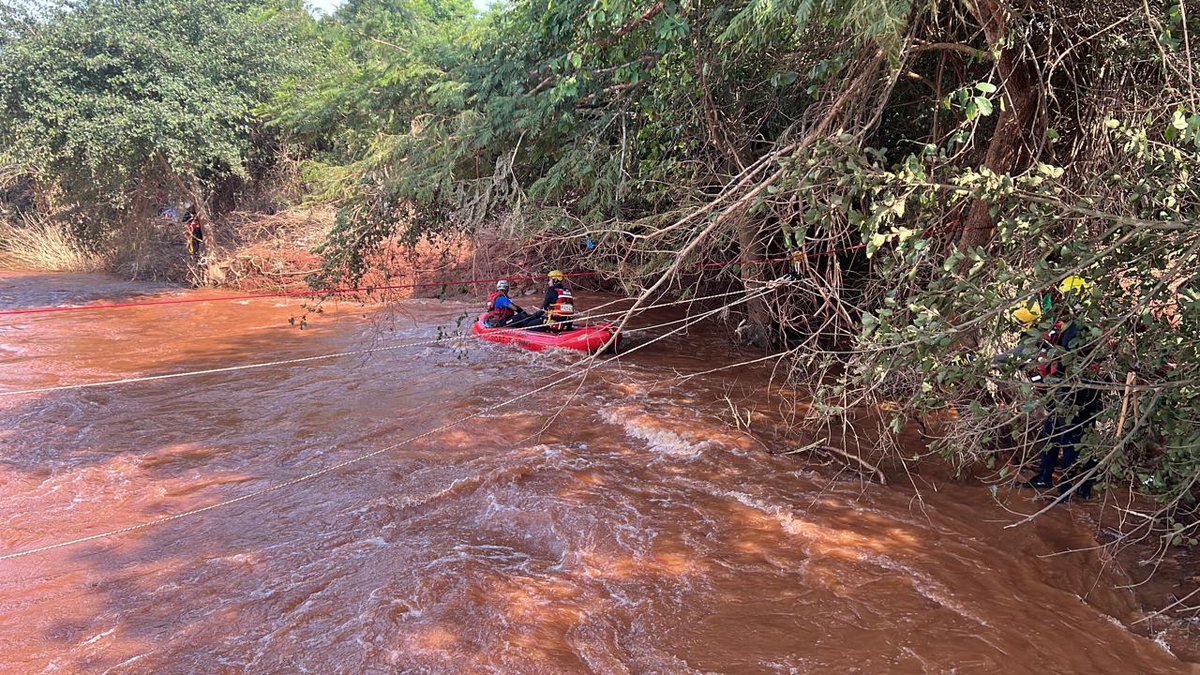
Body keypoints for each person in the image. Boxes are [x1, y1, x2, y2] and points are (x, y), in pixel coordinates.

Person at [1007, 276, 1104, 499]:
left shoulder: (1080, 327)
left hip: (1075, 390)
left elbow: (1062, 359)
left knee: (1072, 439)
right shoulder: (1073, 324)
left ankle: (1067, 490)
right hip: (1071, 388)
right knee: (1052, 434)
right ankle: (1046, 477)